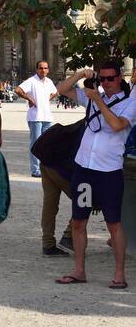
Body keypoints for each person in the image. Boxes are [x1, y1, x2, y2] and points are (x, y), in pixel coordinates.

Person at [54, 62, 133, 290]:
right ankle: (79, 270)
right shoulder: (91, 97)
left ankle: (119, 274)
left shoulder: (130, 103)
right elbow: (61, 90)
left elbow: (117, 125)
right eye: (103, 79)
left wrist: (98, 100)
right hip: (84, 169)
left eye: (111, 78)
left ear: (120, 78)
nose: (106, 83)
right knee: (79, 221)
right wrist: (80, 74)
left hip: (108, 172)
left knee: (114, 224)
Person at [15, 61, 57, 179]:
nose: (43, 70)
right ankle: (35, 169)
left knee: (47, 144)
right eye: (40, 68)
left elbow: (55, 92)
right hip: (35, 117)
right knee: (36, 143)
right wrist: (29, 98)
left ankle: (46, 168)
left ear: (48, 70)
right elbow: (18, 90)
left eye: (45, 68)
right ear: (36, 69)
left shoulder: (49, 82)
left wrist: (47, 99)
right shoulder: (31, 81)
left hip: (47, 117)